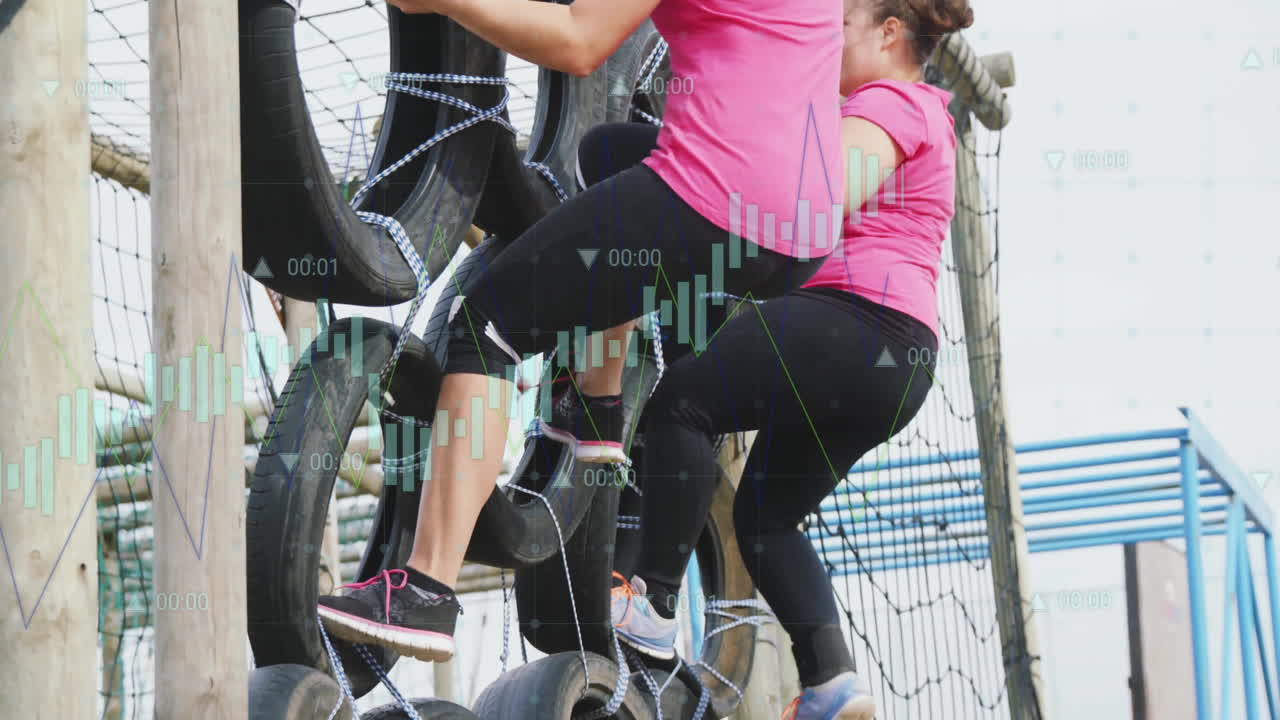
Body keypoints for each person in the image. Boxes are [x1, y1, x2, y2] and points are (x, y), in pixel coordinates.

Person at [316, 0, 847, 663]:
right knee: (606, 154)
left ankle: (426, 587)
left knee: (485, 325)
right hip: (803, 230)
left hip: (717, 195)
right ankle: (599, 405)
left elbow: (578, 41)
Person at [604, 1, 973, 718]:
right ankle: (832, 682)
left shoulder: (892, 101)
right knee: (766, 521)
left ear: (888, 33)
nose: (825, 45)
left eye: (839, 28)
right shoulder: (915, 111)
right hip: (893, 365)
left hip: (862, 327)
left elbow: (821, 201)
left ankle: (648, 604)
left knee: (683, 399)